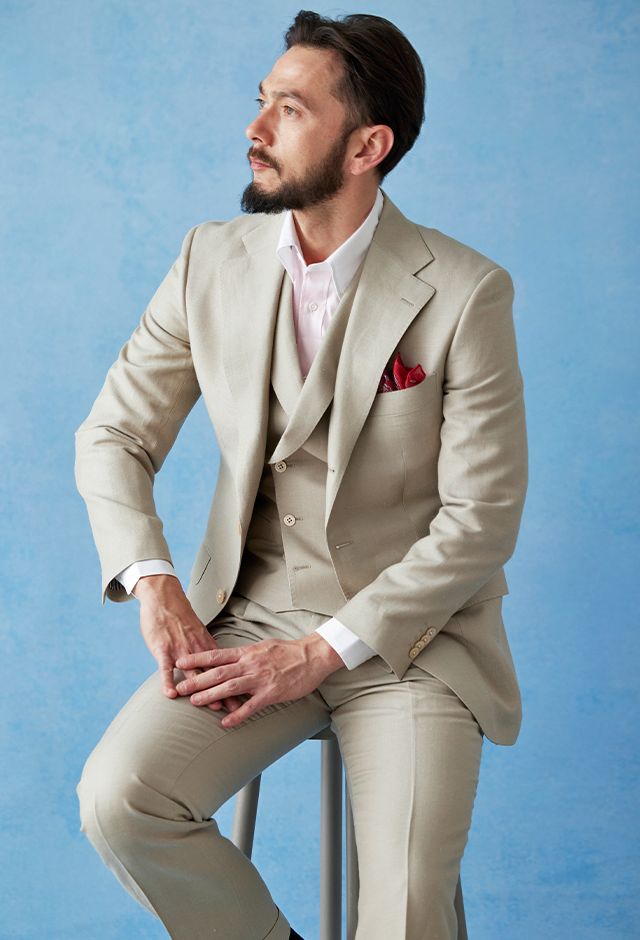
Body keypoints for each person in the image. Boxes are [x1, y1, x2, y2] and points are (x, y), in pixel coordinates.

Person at [74, 10, 528, 940]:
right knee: (121, 801)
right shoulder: (210, 260)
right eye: (261, 101)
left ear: (367, 146)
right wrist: (155, 582)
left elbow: (481, 518)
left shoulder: (466, 291)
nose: (256, 128)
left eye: (290, 109)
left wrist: (325, 650)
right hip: (249, 620)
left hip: (415, 643)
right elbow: (113, 432)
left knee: (405, 903)